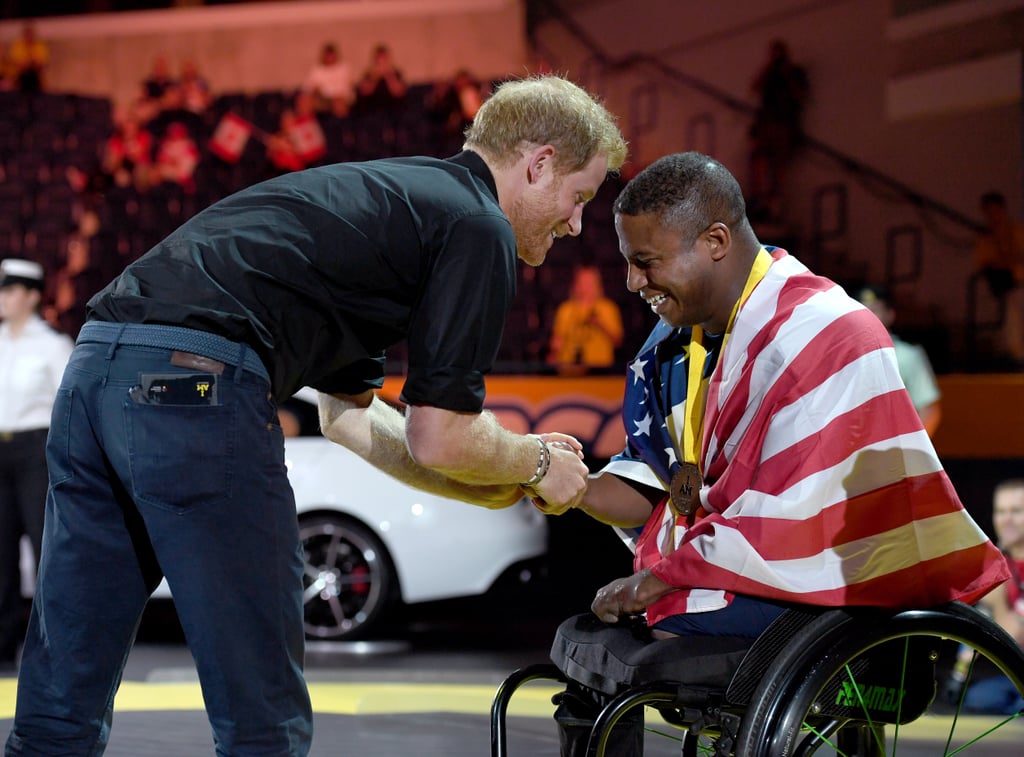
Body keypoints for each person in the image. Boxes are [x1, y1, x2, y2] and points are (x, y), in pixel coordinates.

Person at [5, 74, 627, 756]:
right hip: (193, 388)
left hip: (94, 375)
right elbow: (441, 432)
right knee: (261, 709)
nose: (574, 223)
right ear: (538, 164)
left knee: (62, 692)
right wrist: (537, 462)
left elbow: (353, 421)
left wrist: (503, 477)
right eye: (579, 197)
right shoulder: (477, 224)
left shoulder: (389, 201)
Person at [534, 152, 1009, 754]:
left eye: (644, 262)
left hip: (833, 583)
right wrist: (549, 473)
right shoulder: (681, 344)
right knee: (589, 647)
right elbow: (669, 491)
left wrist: (659, 583)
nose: (631, 283)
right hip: (748, 569)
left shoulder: (827, 331)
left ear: (714, 240)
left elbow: (795, 519)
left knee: (644, 623)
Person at [0, 259, 74, 672]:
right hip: (1, 449)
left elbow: (69, 407)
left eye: (11, 291)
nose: (3, 299)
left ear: (31, 296)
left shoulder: (52, 345)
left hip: (36, 450)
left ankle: (54, 646)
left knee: (47, 545)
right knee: (0, 553)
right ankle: (2, 645)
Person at [958, 479, 1024, 714]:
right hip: (1006, 677)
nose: (1006, 520)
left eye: (1016, 511)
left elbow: (1015, 639)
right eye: (1000, 511)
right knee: (979, 698)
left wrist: (997, 602)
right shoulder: (996, 564)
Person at [855, 284, 941, 437]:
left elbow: (928, 410)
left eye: (875, 309)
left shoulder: (908, 355)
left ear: (890, 314)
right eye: (862, 310)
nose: (868, 315)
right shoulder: (844, 356)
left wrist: (913, 451)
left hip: (895, 450)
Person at [974, 191, 1024, 366]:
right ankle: (1017, 356)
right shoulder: (986, 238)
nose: (993, 215)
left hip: (1018, 285)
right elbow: (987, 265)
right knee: (1014, 302)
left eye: (996, 210)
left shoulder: (1017, 231)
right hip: (1003, 288)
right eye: (988, 211)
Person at [547, 263, 623, 373]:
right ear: (575, 284)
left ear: (597, 284)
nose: (585, 287)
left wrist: (600, 324)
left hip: (600, 369)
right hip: (570, 368)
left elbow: (617, 340)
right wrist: (554, 353)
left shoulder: (608, 308)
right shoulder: (566, 309)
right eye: (582, 282)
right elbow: (557, 339)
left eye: (589, 282)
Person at [301, 42, 355, 118]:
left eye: (331, 56)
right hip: (323, 98)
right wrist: (315, 90)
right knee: (305, 101)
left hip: (340, 98)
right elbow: (308, 87)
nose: (329, 59)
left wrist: (336, 96)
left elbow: (345, 88)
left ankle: (343, 126)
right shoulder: (317, 70)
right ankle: (305, 125)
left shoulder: (343, 68)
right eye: (327, 56)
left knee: (338, 103)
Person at [5, 23, 48, 94]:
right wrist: (28, 63)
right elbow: (16, 63)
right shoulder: (17, 46)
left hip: (35, 76)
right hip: (20, 76)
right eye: (27, 34)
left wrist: (31, 64)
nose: (29, 37)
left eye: (31, 34)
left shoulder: (40, 46)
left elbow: (42, 64)